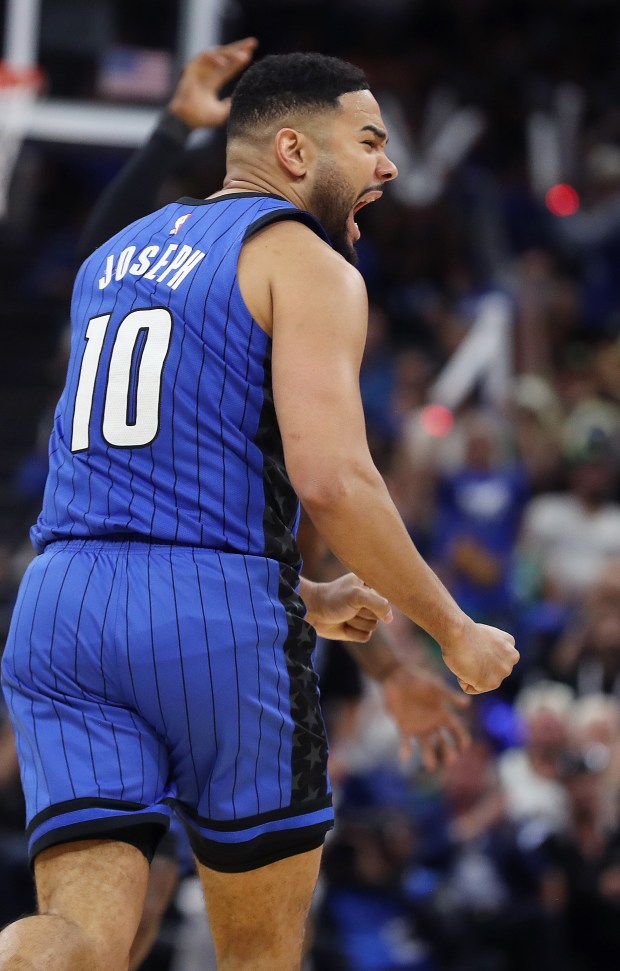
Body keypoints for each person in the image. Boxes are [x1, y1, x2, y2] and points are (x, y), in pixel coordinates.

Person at [0, 51, 518, 971]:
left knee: (81, 936)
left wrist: (306, 597)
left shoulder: (112, 257)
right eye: (368, 141)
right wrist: (455, 630)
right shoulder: (303, 262)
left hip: (61, 607)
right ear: (293, 150)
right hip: (212, 627)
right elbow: (334, 482)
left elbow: (153, 478)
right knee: (259, 952)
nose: (389, 165)